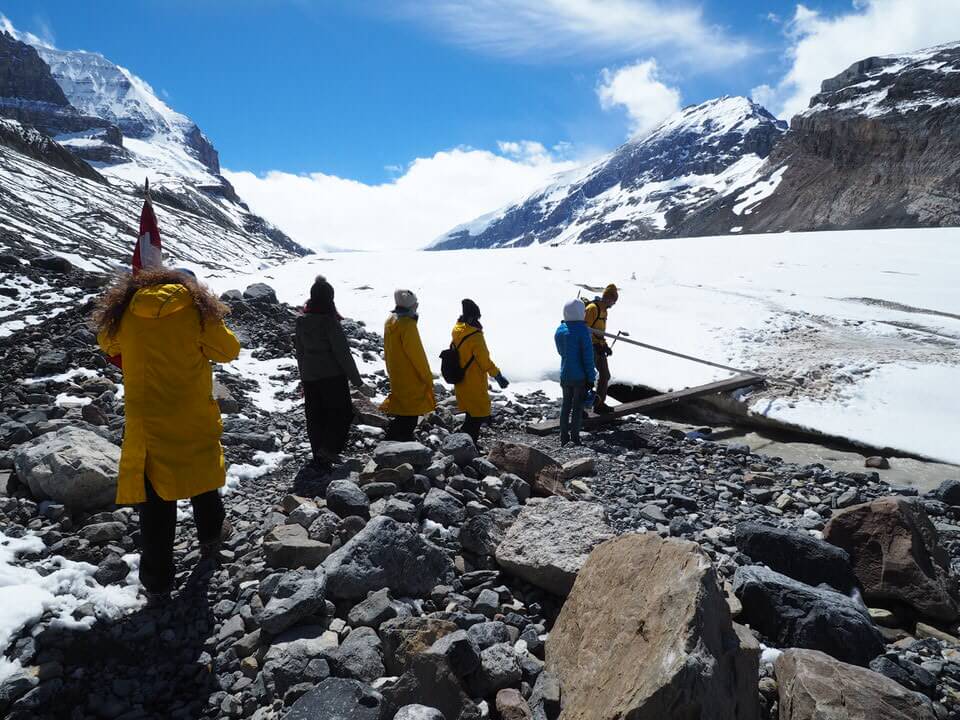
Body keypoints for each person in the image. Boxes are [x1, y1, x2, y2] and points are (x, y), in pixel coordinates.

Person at [94, 267, 240, 603]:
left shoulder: (128, 309)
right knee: (203, 479)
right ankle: (211, 538)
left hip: (147, 426)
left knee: (155, 507)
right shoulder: (196, 311)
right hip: (192, 418)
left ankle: (157, 583)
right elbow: (228, 350)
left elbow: (107, 342)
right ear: (191, 287)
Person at [294, 275, 366, 471]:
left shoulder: (301, 321)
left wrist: (303, 377)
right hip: (332, 376)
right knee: (342, 413)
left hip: (310, 376)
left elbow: (300, 352)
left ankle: (318, 454)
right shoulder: (329, 322)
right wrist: (357, 381)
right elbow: (342, 353)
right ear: (329, 298)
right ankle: (329, 449)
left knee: (315, 415)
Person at [451, 299, 508, 450]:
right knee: (477, 415)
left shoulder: (457, 330)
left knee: (470, 413)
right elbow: (484, 361)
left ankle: (465, 443)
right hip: (473, 381)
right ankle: (468, 446)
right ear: (472, 317)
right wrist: (498, 375)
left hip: (460, 379)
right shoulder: (475, 336)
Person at [380, 289, 435, 441]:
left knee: (402, 412)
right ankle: (398, 446)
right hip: (411, 377)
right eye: (415, 303)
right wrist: (427, 377)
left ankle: (393, 441)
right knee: (410, 416)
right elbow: (417, 355)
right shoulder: (408, 325)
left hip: (396, 373)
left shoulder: (390, 320)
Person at [555, 299, 597, 446]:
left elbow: (561, 352)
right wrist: (591, 377)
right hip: (580, 376)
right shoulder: (582, 330)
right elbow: (588, 357)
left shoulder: (560, 330)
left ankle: (563, 437)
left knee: (566, 405)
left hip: (565, 373)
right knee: (577, 407)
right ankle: (575, 438)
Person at [584, 284, 618, 414]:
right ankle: (581, 407)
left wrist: (604, 345)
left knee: (605, 375)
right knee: (587, 377)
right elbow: (585, 329)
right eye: (613, 301)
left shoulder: (604, 311)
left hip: (599, 347)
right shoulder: (593, 309)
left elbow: (600, 332)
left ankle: (599, 404)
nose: (614, 304)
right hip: (590, 347)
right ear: (608, 298)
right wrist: (595, 344)